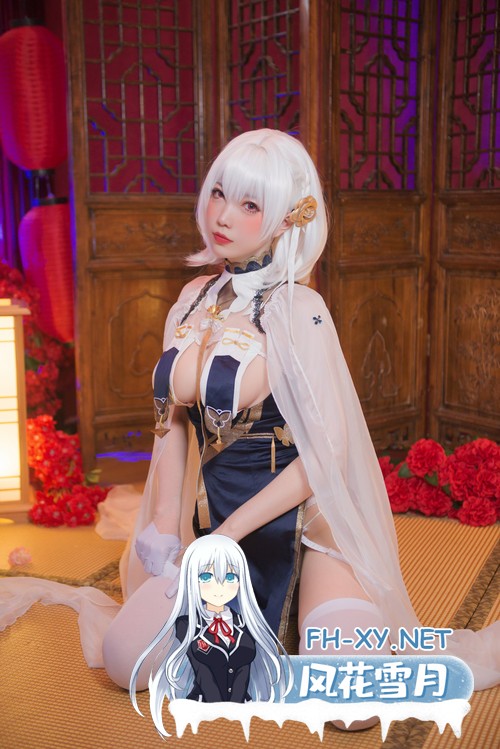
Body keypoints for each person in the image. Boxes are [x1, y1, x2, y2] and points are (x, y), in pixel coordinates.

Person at [101, 129, 499, 710]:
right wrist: (165, 523)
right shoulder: (191, 299)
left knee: (351, 702)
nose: (223, 215)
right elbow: (172, 423)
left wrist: (228, 539)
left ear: (289, 218)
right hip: (209, 524)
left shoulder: (300, 308)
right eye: (219, 194)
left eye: (250, 204)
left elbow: (325, 454)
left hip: (304, 528)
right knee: (123, 662)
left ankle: (304, 625)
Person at [130, 535, 291, 736]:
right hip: (202, 705)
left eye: (230, 578)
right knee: (125, 662)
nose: (219, 588)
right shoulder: (185, 624)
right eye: (207, 578)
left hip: (280, 542)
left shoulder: (247, 624)